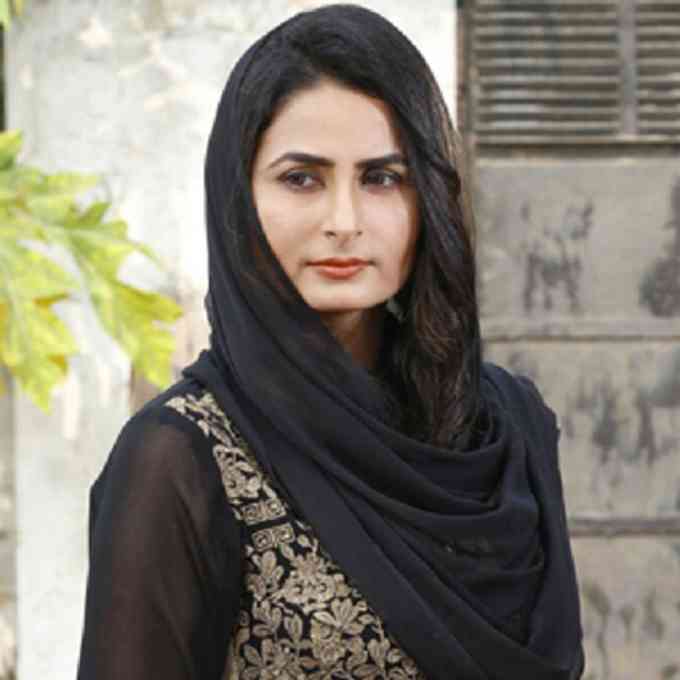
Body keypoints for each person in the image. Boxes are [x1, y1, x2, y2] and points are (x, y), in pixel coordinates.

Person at [76, 4, 585, 679]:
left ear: (428, 197)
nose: (344, 220)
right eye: (301, 179)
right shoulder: (180, 460)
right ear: (238, 198)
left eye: (382, 178)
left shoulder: (508, 429)